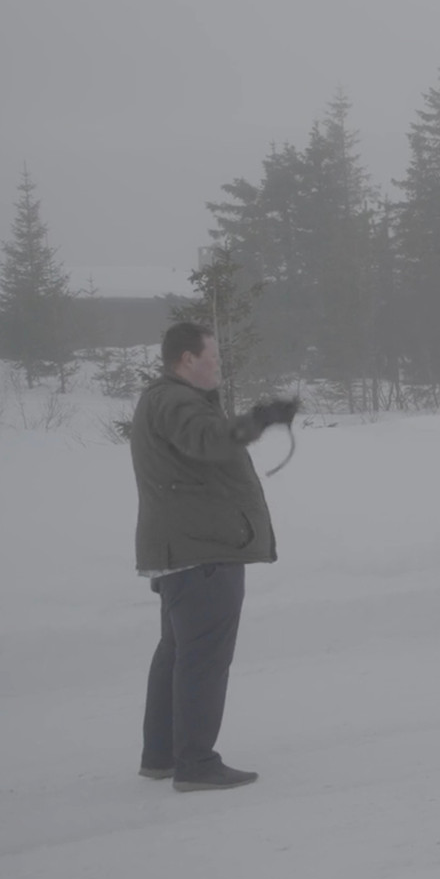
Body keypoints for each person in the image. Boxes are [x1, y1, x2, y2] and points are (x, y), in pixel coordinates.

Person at [131, 322, 298, 791]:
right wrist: (260, 419)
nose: (219, 367)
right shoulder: (176, 400)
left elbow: (205, 438)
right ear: (187, 360)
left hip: (184, 549)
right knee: (202, 658)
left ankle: (162, 756)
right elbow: (210, 440)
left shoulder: (164, 400)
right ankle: (196, 763)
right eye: (213, 358)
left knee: (179, 653)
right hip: (202, 551)